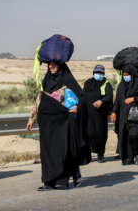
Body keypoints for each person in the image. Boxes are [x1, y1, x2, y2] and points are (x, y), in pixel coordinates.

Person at [27, 61, 91, 191]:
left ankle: (69, 174)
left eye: (54, 64)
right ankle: (48, 182)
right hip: (46, 125)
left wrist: (77, 108)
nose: (51, 67)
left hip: (61, 123)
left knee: (62, 151)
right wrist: (31, 119)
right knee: (47, 153)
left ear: (60, 66)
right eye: (49, 64)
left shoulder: (66, 82)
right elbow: (38, 100)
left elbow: (82, 97)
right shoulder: (46, 81)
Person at [110, 65, 138, 165]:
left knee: (134, 135)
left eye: (127, 74)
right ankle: (130, 157)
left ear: (132, 74)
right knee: (126, 136)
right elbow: (118, 100)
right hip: (123, 115)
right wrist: (114, 112)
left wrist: (133, 99)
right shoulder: (121, 85)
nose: (125, 76)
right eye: (123, 75)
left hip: (135, 115)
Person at [83, 65, 113, 162]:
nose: (98, 75)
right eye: (97, 72)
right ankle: (87, 155)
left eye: (100, 73)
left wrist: (101, 101)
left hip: (100, 114)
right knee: (88, 133)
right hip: (88, 113)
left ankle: (101, 154)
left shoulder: (106, 83)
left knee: (100, 133)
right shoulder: (88, 82)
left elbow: (109, 96)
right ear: (93, 72)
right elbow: (83, 95)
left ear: (103, 74)